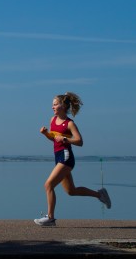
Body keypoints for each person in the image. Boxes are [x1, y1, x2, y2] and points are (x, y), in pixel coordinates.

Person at [33, 92, 111, 227]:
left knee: (48, 185)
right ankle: (100, 195)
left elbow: (80, 141)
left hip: (66, 157)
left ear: (63, 106)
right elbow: (54, 139)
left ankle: (50, 218)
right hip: (58, 156)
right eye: (52, 105)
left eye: (55, 104)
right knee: (71, 191)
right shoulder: (53, 120)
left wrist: (65, 139)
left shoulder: (69, 124)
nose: (52, 107)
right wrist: (46, 134)